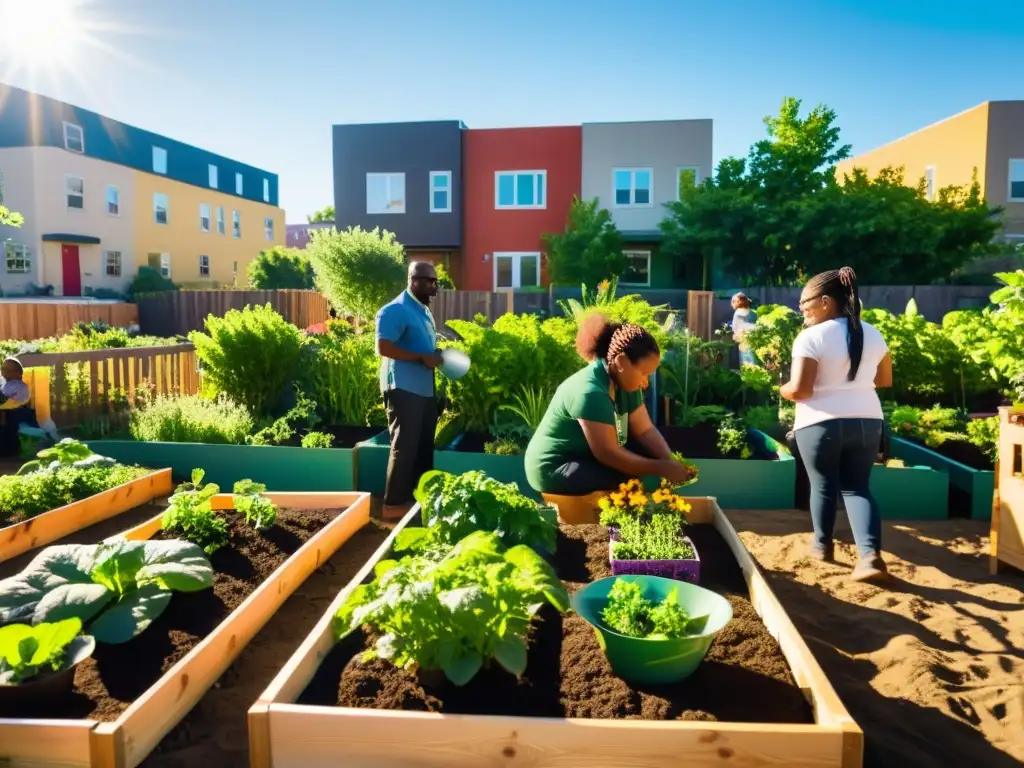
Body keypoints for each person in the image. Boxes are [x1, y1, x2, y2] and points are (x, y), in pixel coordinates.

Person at [780, 267, 893, 582]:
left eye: (805, 305)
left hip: (820, 423)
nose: (802, 311)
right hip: (868, 421)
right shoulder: (873, 333)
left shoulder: (811, 337)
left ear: (826, 301)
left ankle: (822, 547)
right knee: (857, 488)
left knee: (823, 484)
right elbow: (884, 380)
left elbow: (801, 389)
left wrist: (782, 389)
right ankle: (870, 558)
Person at [524, 313, 694, 496]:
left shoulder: (627, 385)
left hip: (584, 457)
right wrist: (661, 468)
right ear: (621, 362)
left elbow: (645, 431)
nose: (646, 382)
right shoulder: (590, 392)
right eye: (644, 373)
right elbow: (607, 453)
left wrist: (671, 462)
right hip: (557, 467)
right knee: (630, 480)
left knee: (646, 461)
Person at [375, 261, 443, 519]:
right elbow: (384, 347)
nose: (434, 286)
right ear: (413, 280)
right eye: (429, 281)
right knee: (404, 446)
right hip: (402, 386)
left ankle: (418, 499)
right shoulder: (395, 310)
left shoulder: (422, 311)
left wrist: (436, 356)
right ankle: (392, 505)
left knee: (424, 446)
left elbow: (423, 349)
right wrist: (421, 358)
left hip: (424, 389)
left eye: (436, 281)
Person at [0, 356, 37, 456]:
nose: (4, 372)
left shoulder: (20, 386)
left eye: (9, 370)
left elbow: (6, 400)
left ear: (19, 372)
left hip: (15, 415)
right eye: (3, 369)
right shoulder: (4, 383)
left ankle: (8, 451)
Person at [730, 292, 758, 366]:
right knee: (753, 361)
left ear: (739, 302)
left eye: (733, 301)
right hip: (754, 340)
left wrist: (735, 335)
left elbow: (736, 328)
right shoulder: (753, 312)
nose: (731, 304)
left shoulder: (738, 313)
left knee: (746, 362)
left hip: (744, 341)